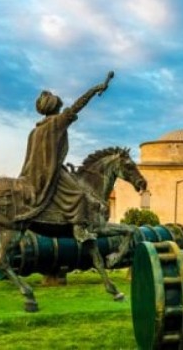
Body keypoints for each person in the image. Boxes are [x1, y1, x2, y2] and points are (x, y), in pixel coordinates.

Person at [18, 72, 113, 242]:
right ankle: (79, 230)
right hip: (51, 172)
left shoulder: (35, 130)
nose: (61, 109)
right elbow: (78, 106)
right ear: (54, 108)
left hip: (33, 173)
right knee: (79, 195)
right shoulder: (57, 122)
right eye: (59, 107)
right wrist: (94, 89)